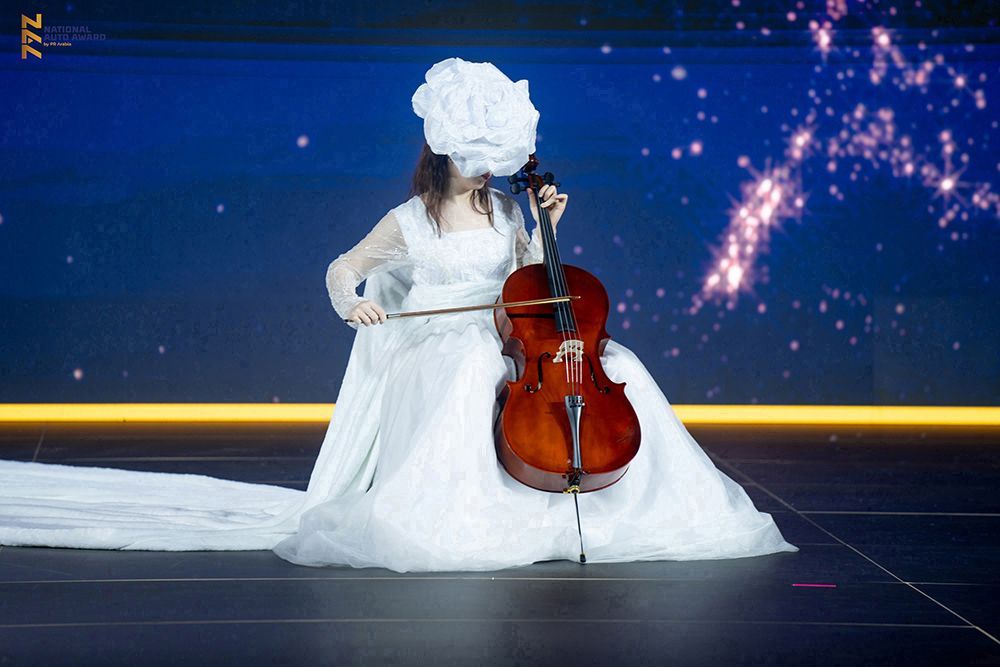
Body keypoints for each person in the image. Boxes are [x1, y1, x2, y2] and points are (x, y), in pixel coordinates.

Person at [0, 57, 796, 572]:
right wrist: (355, 306)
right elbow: (343, 269)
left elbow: (526, 289)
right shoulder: (409, 219)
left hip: (506, 338)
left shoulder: (508, 214)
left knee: (618, 366)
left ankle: (621, 492)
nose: (487, 168)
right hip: (440, 343)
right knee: (462, 372)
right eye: (475, 154)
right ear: (447, 151)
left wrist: (547, 229)